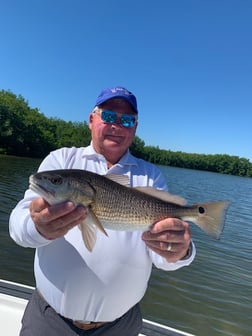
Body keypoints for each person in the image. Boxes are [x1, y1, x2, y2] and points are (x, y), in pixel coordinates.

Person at [9, 86, 195, 336]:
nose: (117, 126)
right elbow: (18, 229)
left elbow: (163, 260)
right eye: (108, 116)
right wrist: (37, 226)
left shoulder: (151, 176)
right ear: (91, 119)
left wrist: (180, 251)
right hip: (50, 320)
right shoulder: (61, 161)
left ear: (135, 128)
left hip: (120, 326)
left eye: (127, 120)